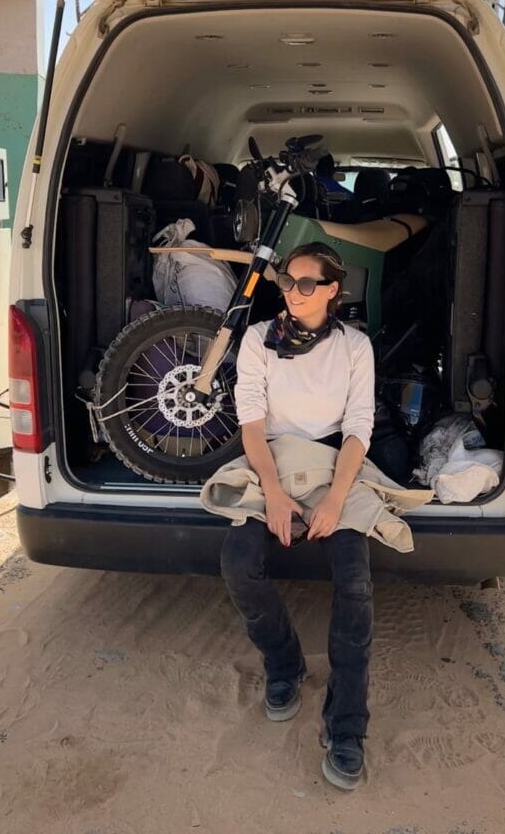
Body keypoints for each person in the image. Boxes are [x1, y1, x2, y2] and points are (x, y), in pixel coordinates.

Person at [220, 242, 375, 791]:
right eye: (288, 281)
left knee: (353, 580)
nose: (292, 291)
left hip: (335, 462)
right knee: (239, 564)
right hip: (275, 462)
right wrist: (274, 492)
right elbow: (252, 424)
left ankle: (347, 727)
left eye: (307, 283)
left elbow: (359, 426)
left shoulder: (355, 347)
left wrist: (335, 498)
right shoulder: (259, 339)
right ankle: (285, 665)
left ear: (333, 290)